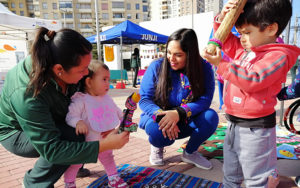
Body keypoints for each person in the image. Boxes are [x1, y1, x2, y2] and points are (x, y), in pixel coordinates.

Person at [0, 27, 130, 188]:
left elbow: (90, 101)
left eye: (88, 68)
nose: (86, 75)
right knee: (70, 136)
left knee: (79, 128)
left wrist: (105, 124)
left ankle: (75, 162)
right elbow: (51, 148)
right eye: (83, 70)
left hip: (54, 116)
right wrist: (105, 145)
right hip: (16, 132)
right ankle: (35, 181)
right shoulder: (25, 93)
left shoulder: (64, 63)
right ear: (59, 70)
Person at [201, 0, 300, 187]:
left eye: (247, 32)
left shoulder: (277, 56)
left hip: (256, 129)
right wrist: (222, 19)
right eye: (240, 32)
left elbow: (253, 79)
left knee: (257, 178)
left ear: (271, 29)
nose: (242, 38)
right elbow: (226, 40)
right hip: (234, 123)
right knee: (231, 172)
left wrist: (220, 65)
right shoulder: (246, 49)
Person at [138, 28, 219, 169]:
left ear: (190, 54)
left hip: (186, 117)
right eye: (169, 53)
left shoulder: (204, 68)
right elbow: (144, 99)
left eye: (178, 55)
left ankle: (190, 152)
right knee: (157, 133)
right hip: (159, 118)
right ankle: (158, 147)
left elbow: (205, 100)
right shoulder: (156, 66)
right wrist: (163, 117)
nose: (171, 59)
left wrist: (179, 113)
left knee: (210, 117)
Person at [64, 60, 128, 188]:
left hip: (105, 140)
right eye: (104, 79)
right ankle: (69, 182)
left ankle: (113, 177)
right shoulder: (80, 99)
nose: (108, 83)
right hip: (86, 144)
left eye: (108, 79)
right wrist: (78, 122)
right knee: (75, 163)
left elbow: (119, 114)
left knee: (108, 158)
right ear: (89, 82)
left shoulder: (107, 99)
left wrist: (126, 119)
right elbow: (71, 115)